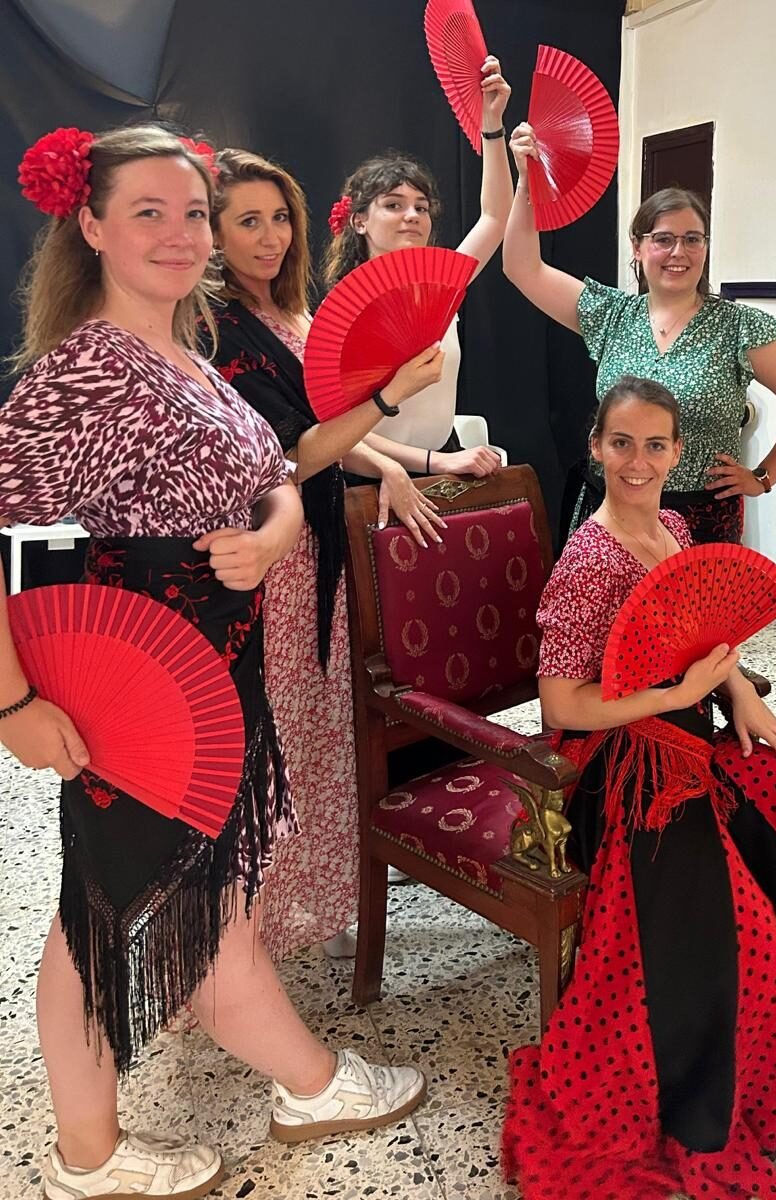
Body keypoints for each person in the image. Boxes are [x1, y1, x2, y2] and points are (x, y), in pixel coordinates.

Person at [1, 125, 425, 1200]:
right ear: (89, 225)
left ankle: (300, 1085)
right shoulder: (83, 374)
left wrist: (281, 528)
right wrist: (7, 703)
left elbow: (274, 467)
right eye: (149, 211)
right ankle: (100, 1152)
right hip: (137, 686)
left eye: (193, 211)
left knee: (194, 899)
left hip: (213, 675)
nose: (181, 233)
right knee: (99, 910)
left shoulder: (186, 348)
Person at [502, 376, 776, 1198]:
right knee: (729, 912)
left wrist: (739, 699)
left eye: (655, 444)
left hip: (700, 731)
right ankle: (715, 1088)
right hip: (617, 763)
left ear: (677, 451)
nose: (638, 460)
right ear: (595, 447)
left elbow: (713, 637)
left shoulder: (675, 525)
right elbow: (561, 704)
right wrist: (677, 695)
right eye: (621, 442)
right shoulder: (587, 562)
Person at [209, 147, 445, 961]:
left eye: (280, 218)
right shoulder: (217, 328)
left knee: (322, 729)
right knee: (272, 737)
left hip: (323, 545)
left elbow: (344, 438)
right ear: (211, 231)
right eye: (248, 220)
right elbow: (292, 455)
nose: (269, 237)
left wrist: (403, 460)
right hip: (273, 552)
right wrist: (387, 401)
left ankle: (321, 897)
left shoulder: (292, 313)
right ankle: (253, 930)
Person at [502, 124, 776, 544]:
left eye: (693, 239)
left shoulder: (738, 326)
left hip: (701, 519)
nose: (679, 253)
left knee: (693, 613)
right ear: (637, 247)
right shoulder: (611, 314)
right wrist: (527, 181)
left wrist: (763, 477)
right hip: (614, 514)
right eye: (663, 239)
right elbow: (521, 267)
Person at [323, 54, 513, 483]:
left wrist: (493, 126)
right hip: (373, 479)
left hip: (446, 464)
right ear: (359, 220)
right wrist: (434, 463)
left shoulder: (441, 287)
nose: (412, 215)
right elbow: (338, 435)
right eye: (393, 205)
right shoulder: (342, 312)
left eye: (421, 207)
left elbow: (496, 218)